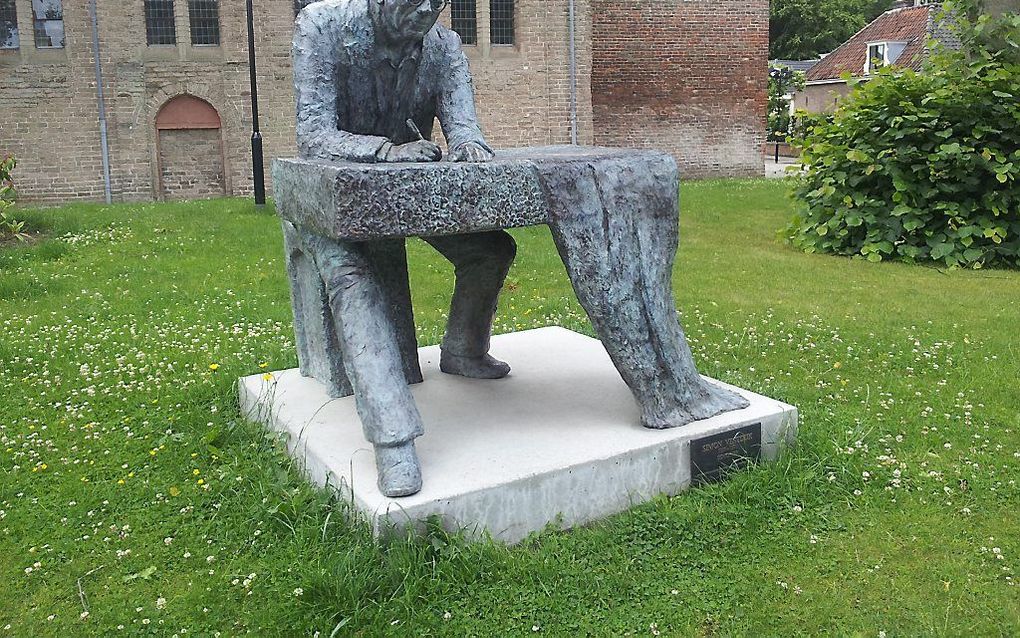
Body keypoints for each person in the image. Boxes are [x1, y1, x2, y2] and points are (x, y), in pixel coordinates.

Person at [291, 0, 516, 496]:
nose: (424, 11)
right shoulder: (321, 26)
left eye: (435, 3)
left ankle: (462, 351)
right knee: (355, 280)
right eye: (412, 0)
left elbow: (464, 127)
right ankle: (393, 444)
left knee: (491, 250)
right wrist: (385, 152)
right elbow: (313, 135)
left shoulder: (444, 47)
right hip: (330, 197)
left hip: (404, 191)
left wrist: (469, 146)